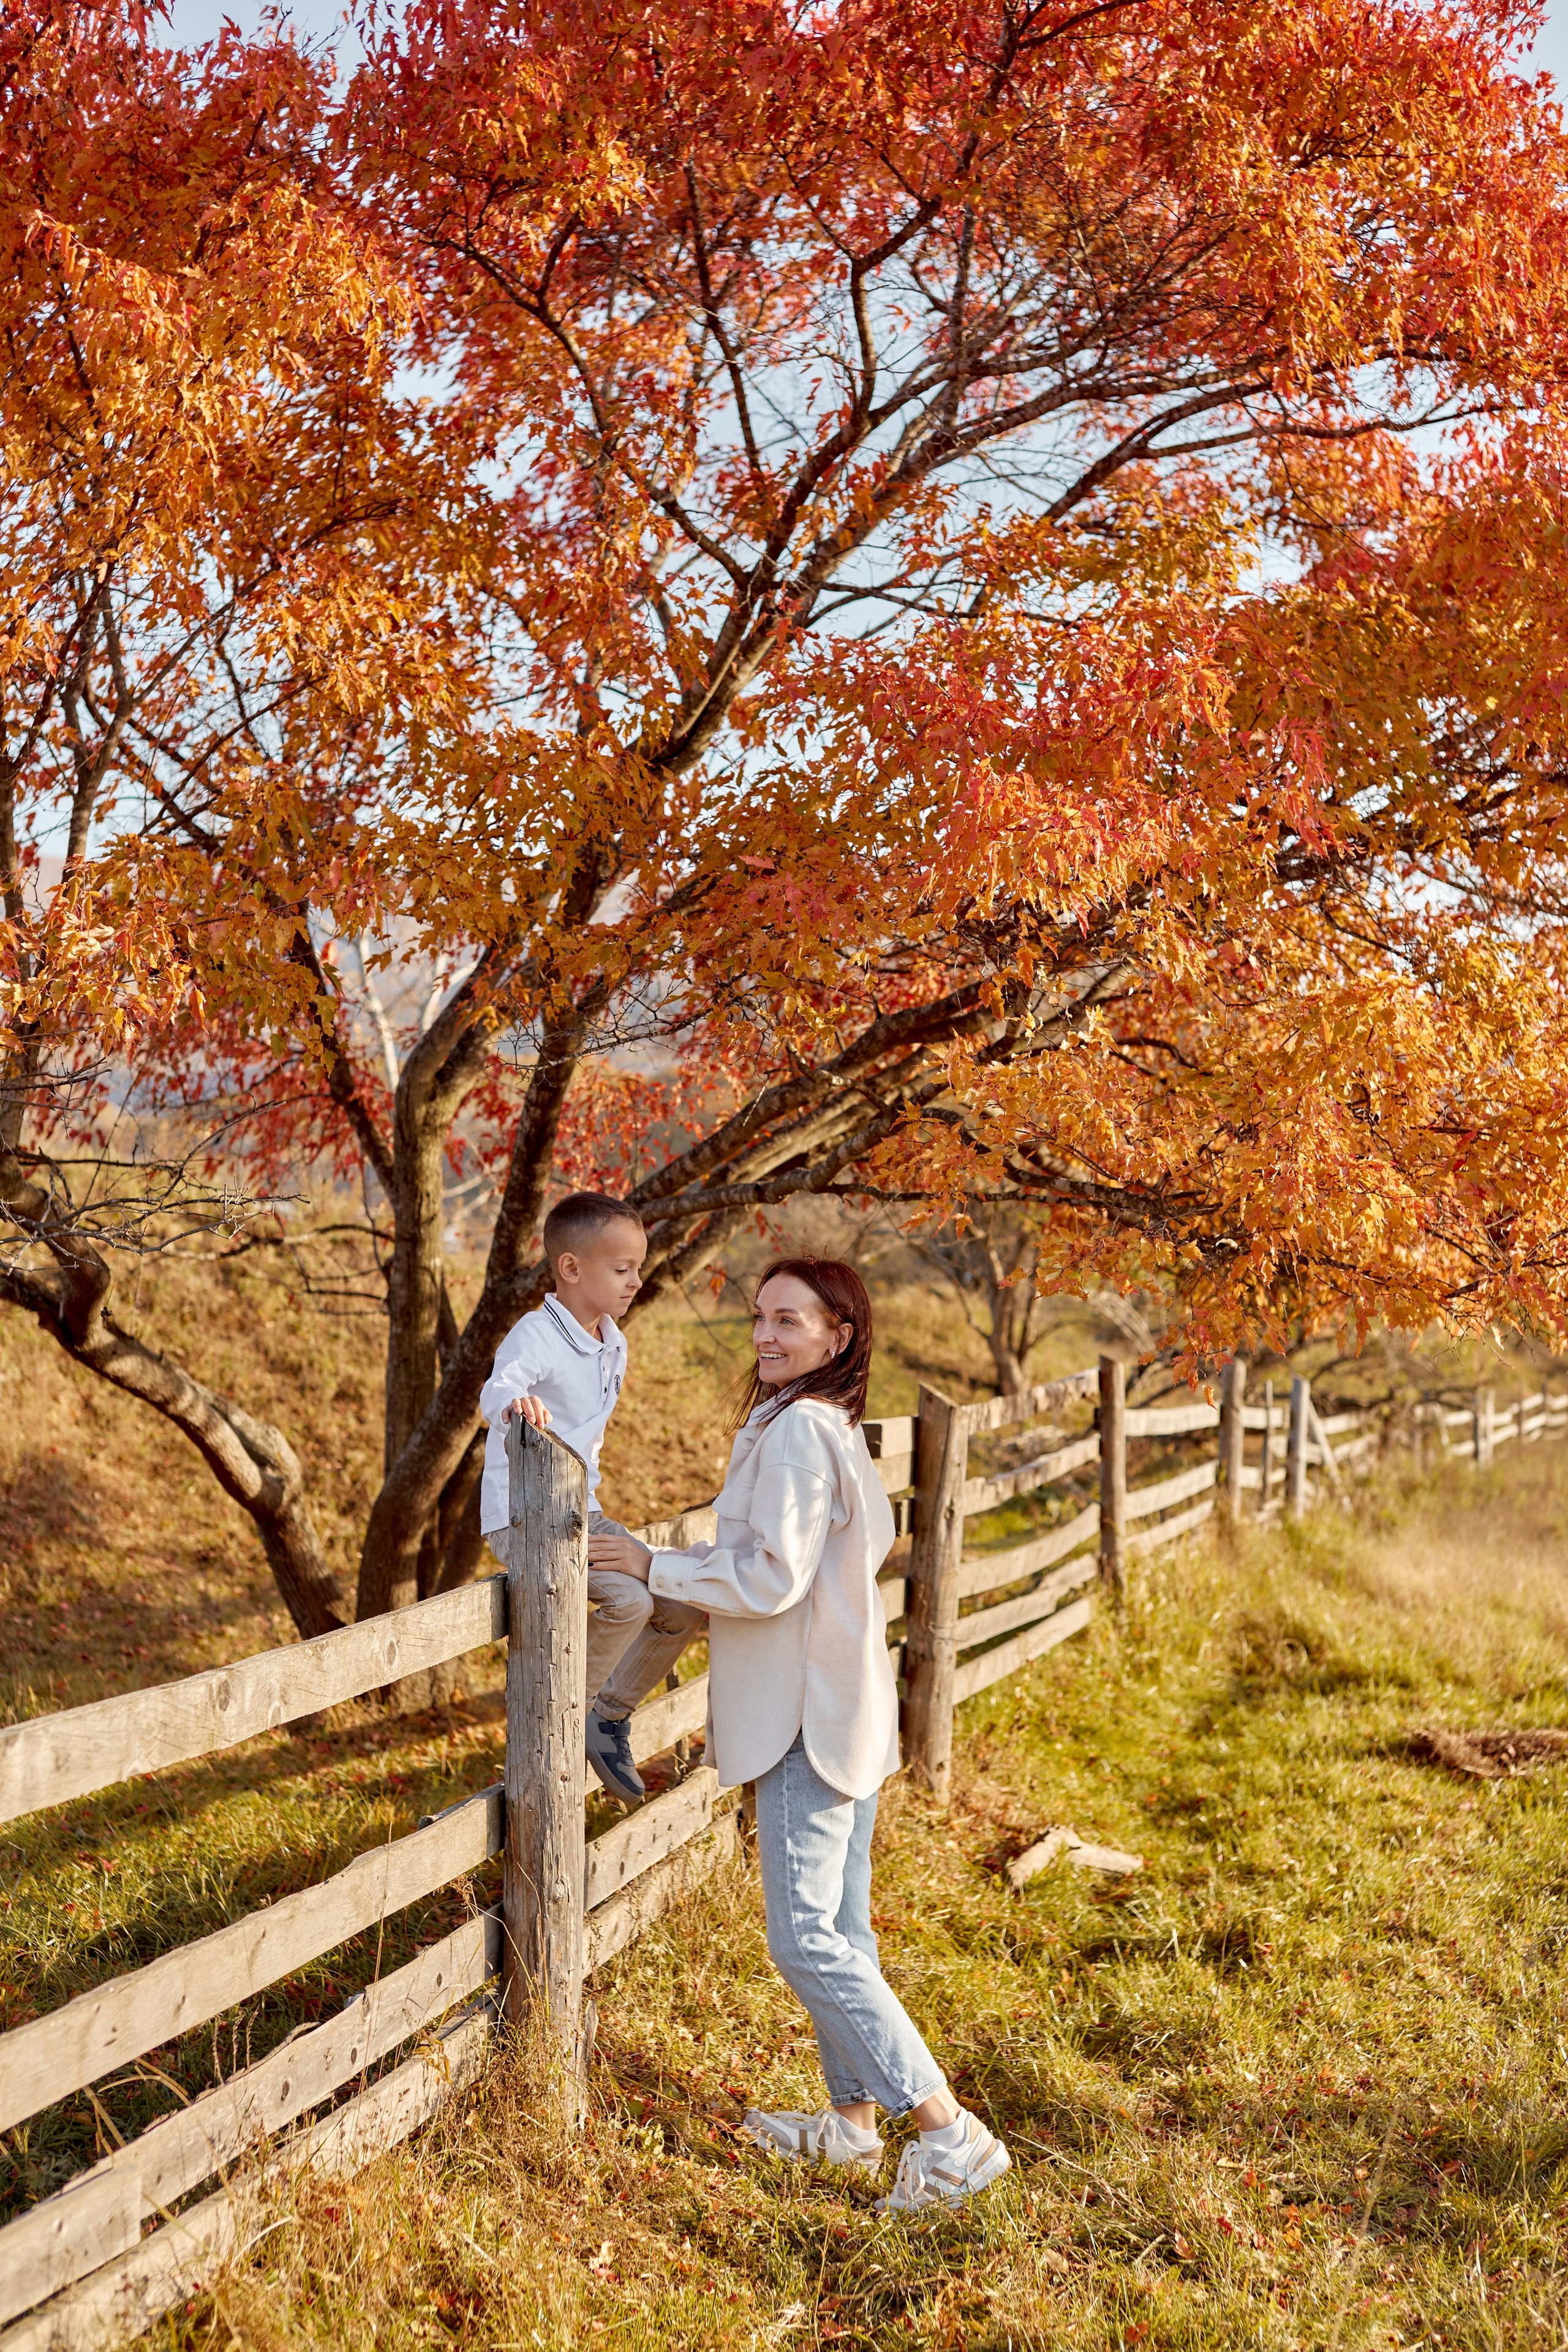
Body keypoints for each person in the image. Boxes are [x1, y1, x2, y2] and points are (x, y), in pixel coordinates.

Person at [585, 1257, 1012, 2214]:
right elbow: (790, 1567)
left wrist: (656, 1565)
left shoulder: (797, 1438)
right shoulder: (824, 1430)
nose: (766, 1336)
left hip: (801, 1721)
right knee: (844, 1931)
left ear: (838, 1336)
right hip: (841, 1708)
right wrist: (689, 1564)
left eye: (789, 1321)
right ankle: (853, 2127)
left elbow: (770, 1578)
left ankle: (949, 2135)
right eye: (759, 1318)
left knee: (807, 1939)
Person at [480, 1191, 706, 1804]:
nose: (636, 1280)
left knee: (682, 1607)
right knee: (629, 1602)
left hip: (584, 1512)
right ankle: (562, 1717)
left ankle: (606, 1716)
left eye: (638, 1267)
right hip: (526, 1517)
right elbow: (495, 1390)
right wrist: (515, 1407)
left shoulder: (613, 1341)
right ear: (572, 1269)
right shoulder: (537, 1335)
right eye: (622, 1268)